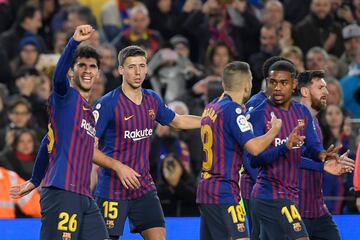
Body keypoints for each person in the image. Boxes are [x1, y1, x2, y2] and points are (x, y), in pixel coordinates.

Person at [10, 25, 134, 240]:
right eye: (81, 65)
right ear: (71, 70)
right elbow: (57, 77)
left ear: (97, 72)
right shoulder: (65, 97)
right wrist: (74, 42)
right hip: (62, 191)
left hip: (84, 195)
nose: (87, 70)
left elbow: (48, 141)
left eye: (92, 66)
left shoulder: (88, 113)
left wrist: (35, 179)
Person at [93, 45, 201, 240]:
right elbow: (88, 149)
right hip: (112, 188)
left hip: (143, 187)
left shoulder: (152, 99)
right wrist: (118, 167)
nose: (138, 72)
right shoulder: (107, 104)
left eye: (142, 66)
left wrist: (209, 121)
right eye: (132, 66)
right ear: (120, 70)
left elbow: (178, 120)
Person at [196, 61, 298, 240]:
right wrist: (274, 130)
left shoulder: (212, 106)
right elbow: (255, 148)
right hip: (224, 191)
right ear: (247, 85)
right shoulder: (233, 110)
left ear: (223, 84)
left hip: (205, 190)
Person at [247, 60, 338, 240]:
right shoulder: (259, 113)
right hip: (268, 196)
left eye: (284, 83)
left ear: (294, 84)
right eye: (273, 82)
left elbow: (313, 146)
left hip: (291, 197)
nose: (278, 88)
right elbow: (254, 159)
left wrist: (322, 156)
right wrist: (284, 146)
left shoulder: (302, 113)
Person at [298, 70, 354, 240]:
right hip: (297, 208)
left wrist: (330, 159)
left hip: (317, 208)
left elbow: (315, 155)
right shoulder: (295, 120)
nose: (326, 92)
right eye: (321, 87)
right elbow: (291, 159)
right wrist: (323, 165)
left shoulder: (314, 121)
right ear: (305, 92)